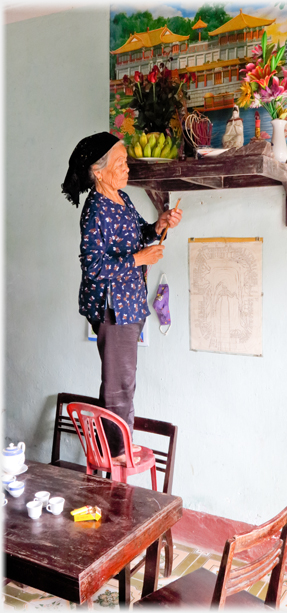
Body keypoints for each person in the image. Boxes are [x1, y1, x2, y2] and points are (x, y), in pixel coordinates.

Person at [62, 132, 182, 464]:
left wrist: (159, 224)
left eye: (126, 160)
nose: (127, 167)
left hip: (129, 305)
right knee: (119, 385)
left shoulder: (121, 199)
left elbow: (138, 235)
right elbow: (94, 268)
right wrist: (139, 260)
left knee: (123, 381)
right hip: (112, 308)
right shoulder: (96, 210)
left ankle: (116, 447)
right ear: (98, 171)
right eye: (121, 162)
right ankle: (115, 454)